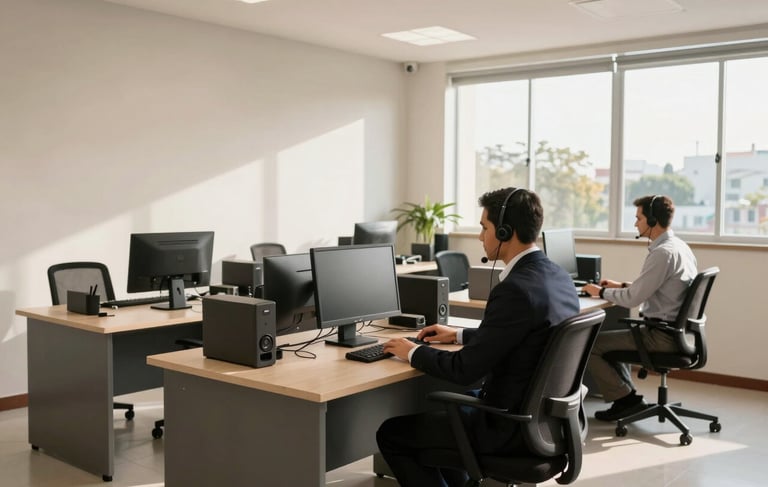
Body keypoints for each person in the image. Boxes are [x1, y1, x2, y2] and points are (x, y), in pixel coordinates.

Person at [376, 187, 580, 487]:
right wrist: (458, 334)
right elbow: (524, 336)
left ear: (505, 232)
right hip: (544, 422)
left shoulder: (515, 290)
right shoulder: (557, 276)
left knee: (392, 434)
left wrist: (411, 351)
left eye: (484, 228)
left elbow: (464, 370)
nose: (480, 237)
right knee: (443, 416)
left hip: (508, 426)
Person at [582, 194, 697, 421]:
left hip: (662, 336)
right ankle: (627, 398)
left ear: (652, 220)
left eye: (639, 218)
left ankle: (625, 400)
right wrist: (621, 285)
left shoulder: (662, 253)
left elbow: (634, 299)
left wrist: (600, 292)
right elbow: (660, 287)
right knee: (613, 338)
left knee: (592, 344)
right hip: (678, 333)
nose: (636, 223)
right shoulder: (679, 247)